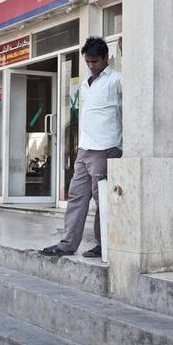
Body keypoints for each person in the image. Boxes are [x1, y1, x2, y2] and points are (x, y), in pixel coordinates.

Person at [41, 37, 122, 258]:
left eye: (95, 61)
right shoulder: (86, 81)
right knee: (76, 196)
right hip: (84, 148)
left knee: (102, 199)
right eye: (88, 61)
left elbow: (126, 113)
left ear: (106, 57)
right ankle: (68, 243)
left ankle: (104, 244)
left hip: (106, 148)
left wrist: (120, 146)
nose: (91, 65)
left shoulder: (116, 80)